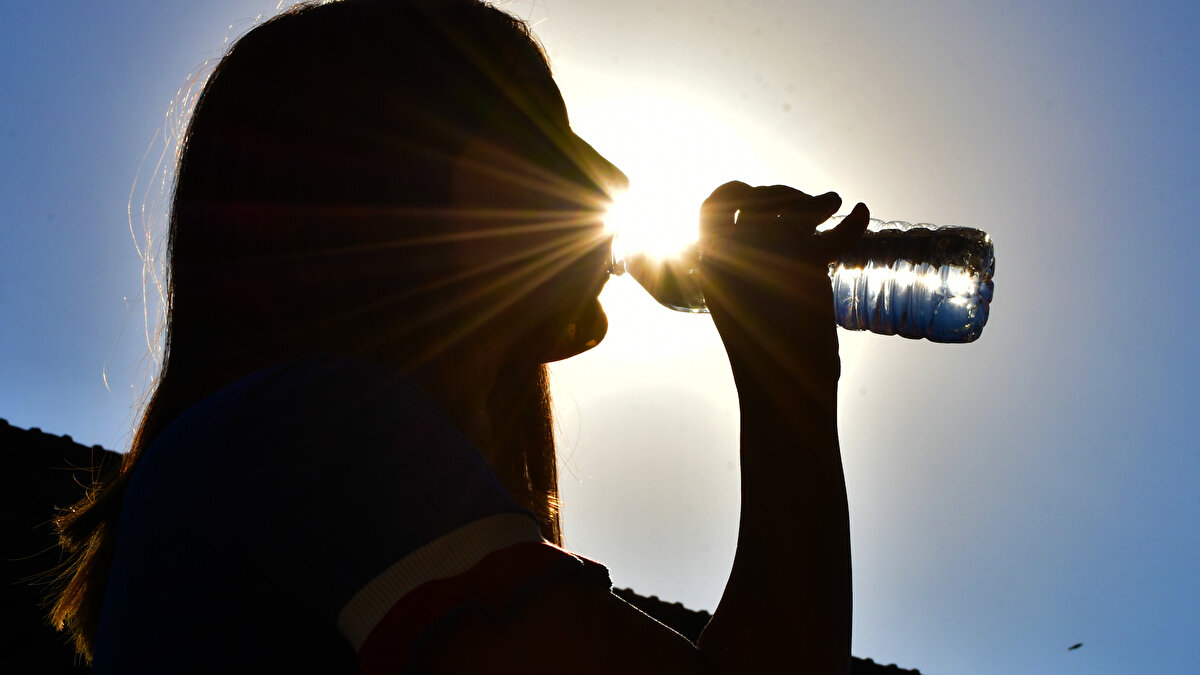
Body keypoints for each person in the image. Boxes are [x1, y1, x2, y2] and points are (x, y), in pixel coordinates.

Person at [49, 0, 870, 673]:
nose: (612, 178)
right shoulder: (319, 427)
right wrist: (783, 381)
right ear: (399, 194)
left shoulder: (274, 449)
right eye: (542, 141)